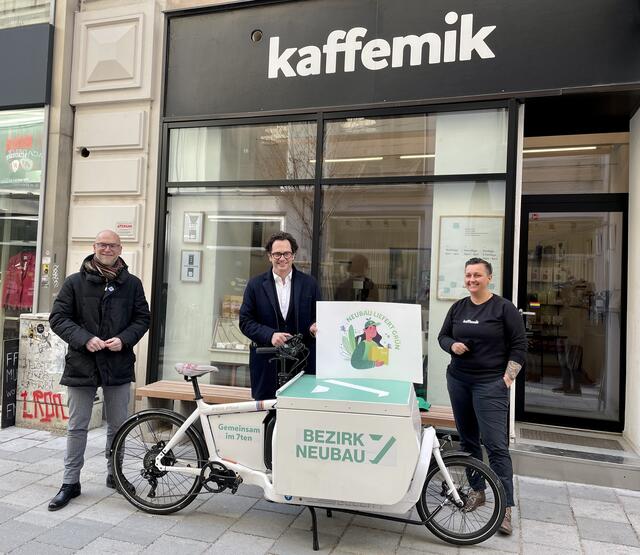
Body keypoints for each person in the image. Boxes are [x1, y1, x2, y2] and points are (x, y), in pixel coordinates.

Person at [47, 230, 150, 511]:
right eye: (102, 244)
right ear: (93, 247)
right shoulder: (74, 283)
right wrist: (84, 338)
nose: (107, 249)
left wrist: (125, 339)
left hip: (117, 363)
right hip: (83, 363)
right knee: (77, 426)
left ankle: (114, 475)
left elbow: (143, 318)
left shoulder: (132, 284)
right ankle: (70, 483)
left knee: (118, 425)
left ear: (120, 248)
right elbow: (58, 318)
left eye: (112, 245)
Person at [438, 257, 526, 536]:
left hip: (490, 385)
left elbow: (520, 345)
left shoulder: (503, 308)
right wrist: (453, 345)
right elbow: (442, 337)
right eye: (468, 275)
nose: (471, 279)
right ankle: (478, 491)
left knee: (496, 445)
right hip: (459, 381)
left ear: (489, 278)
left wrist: (508, 376)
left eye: (477, 275)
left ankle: (506, 507)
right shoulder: (458, 307)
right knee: (468, 441)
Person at [239, 231, 320, 400]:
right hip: (267, 362)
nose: (282, 258)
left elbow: (318, 318)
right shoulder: (255, 285)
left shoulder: (309, 284)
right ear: (269, 256)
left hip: (302, 363)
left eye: (286, 253)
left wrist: (314, 327)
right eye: (277, 254)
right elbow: (245, 321)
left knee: (299, 416)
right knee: (269, 416)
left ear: (293, 255)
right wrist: (270, 335)